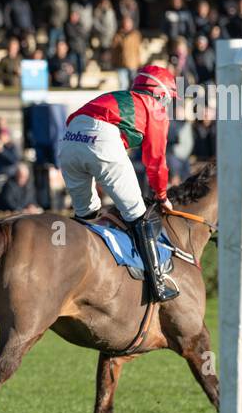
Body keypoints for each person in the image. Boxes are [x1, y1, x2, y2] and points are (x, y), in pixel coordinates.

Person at [57, 63, 179, 303]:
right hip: (101, 140)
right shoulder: (154, 107)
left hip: (69, 140)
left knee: (86, 216)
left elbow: (75, 118)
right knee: (138, 215)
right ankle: (158, 283)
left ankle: (71, 276)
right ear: (160, 93)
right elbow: (155, 160)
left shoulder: (116, 96)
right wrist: (162, 195)